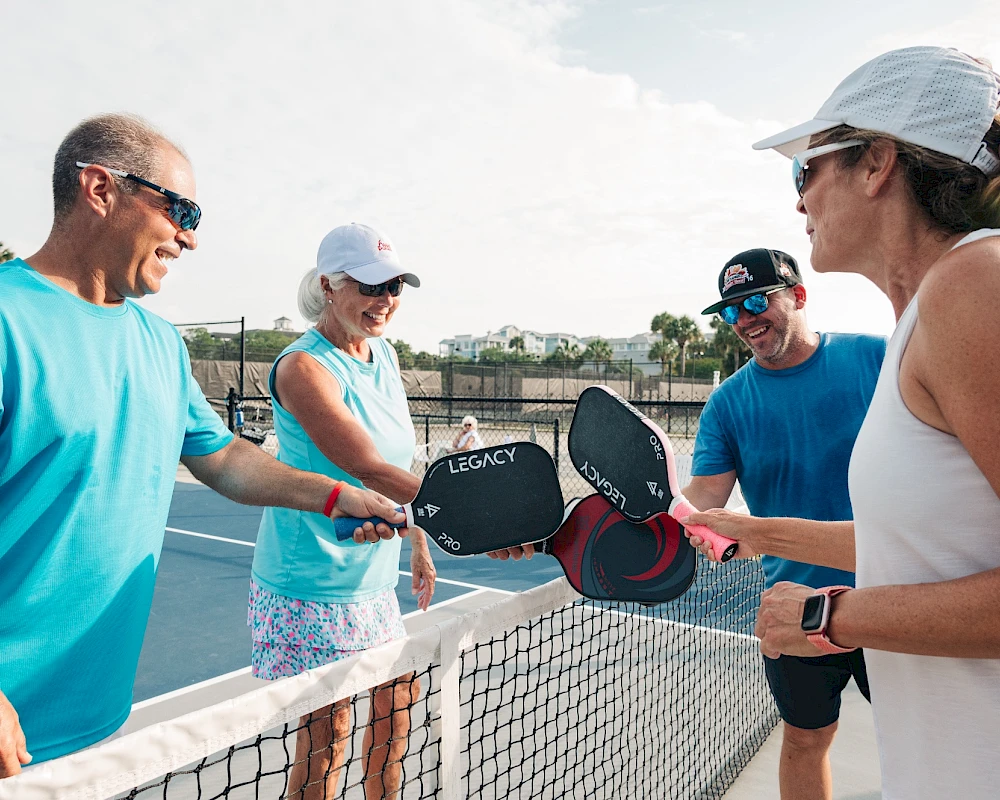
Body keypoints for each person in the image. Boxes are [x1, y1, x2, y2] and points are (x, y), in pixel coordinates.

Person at [0, 116, 407, 777]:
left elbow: (223, 460)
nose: (189, 236)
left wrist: (336, 496)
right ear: (101, 188)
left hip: (99, 720)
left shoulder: (160, 344)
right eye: (179, 208)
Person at [683, 47, 1000, 799]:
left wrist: (828, 613)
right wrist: (756, 533)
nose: (799, 202)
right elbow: (922, 548)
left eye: (806, 169)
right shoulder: (931, 312)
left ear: (877, 163)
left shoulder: (972, 285)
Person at [687, 248, 885, 800]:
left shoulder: (874, 357)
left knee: (918, 738)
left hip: (891, 595)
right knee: (804, 739)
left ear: (798, 296)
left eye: (756, 300)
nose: (746, 320)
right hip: (795, 609)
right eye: (732, 311)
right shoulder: (727, 404)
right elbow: (703, 501)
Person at [250, 223, 437, 800]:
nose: (385, 301)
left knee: (395, 711)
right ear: (330, 286)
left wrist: (419, 541)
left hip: (371, 579)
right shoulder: (302, 368)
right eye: (370, 286)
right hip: (309, 581)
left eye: (394, 287)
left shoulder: (382, 354)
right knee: (328, 735)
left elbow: (395, 455)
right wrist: (463, 514)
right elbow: (368, 468)